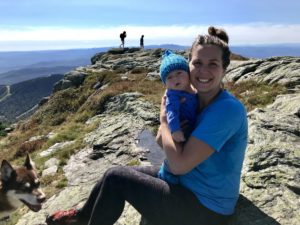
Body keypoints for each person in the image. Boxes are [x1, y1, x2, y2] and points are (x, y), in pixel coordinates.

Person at [45, 26, 248, 225]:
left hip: (205, 208)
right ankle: (81, 217)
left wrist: (164, 122)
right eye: (197, 62)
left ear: (225, 67)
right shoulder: (192, 99)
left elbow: (178, 165)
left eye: (213, 64)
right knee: (111, 173)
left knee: (118, 178)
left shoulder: (226, 110)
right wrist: (166, 131)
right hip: (187, 184)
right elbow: (162, 142)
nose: (203, 71)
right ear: (189, 64)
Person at [157, 49, 198, 184]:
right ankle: (166, 175)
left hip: (191, 128)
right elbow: (171, 113)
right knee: (173, 154)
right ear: (165, 83)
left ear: (188, 73)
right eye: (169, 77)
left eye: (179, 73)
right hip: (180, 131)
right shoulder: (173, 95)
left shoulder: (194, 90)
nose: (175, 79)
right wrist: (175, 130)